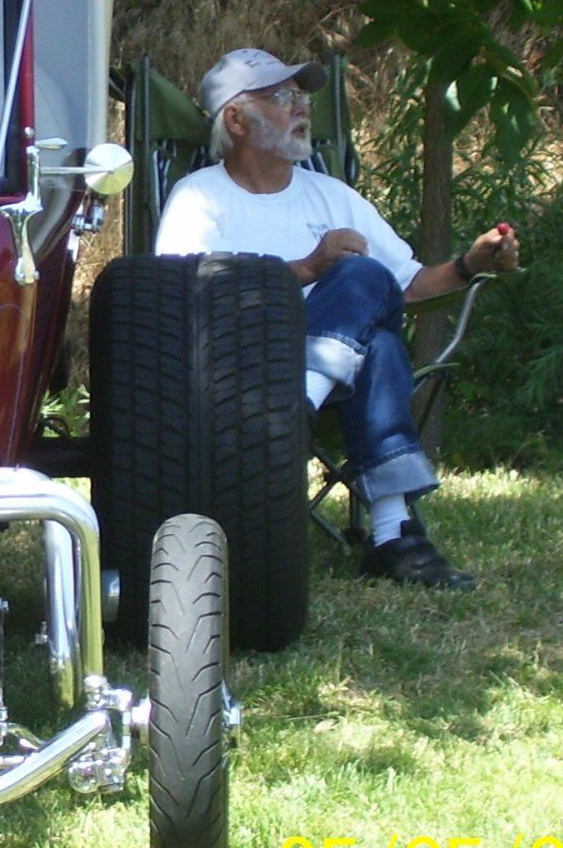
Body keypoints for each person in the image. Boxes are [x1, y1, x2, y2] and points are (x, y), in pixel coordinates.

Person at [155, 47, 520, 590]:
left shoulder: (331, 195)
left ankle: (304, 406)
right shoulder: (199, 199)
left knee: (374, 316)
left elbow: (413, 286)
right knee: (370, 313)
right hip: (243, 367)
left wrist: (472, 263)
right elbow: (186, 295)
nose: (302, 107)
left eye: (303, 95)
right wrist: (307, 268)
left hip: (310, 392)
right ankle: (396, 535)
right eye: (282, 96)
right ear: (236, 119)